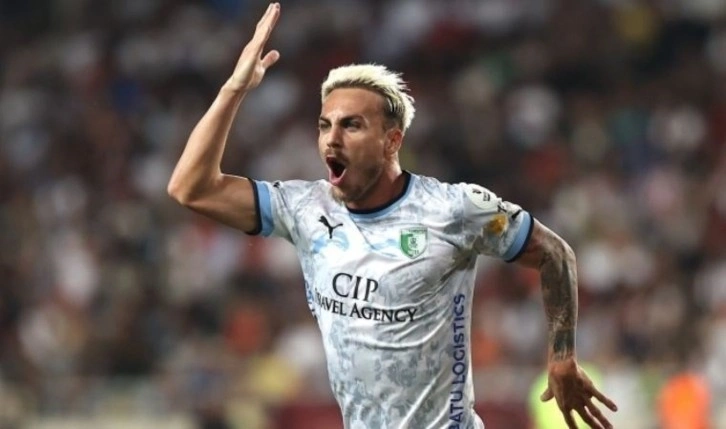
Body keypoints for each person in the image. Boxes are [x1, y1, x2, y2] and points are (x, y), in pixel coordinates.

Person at [167, 3, 618, 428]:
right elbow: (191, 187)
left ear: (392, 140)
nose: (332, 139)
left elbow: (555, 252)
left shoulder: (454, 210)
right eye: (325, 125)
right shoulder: (304, 209)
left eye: (352, 125)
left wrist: (562, 356)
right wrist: (234, 89)